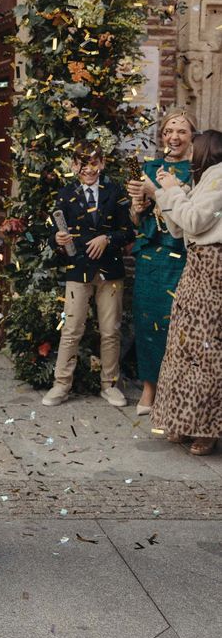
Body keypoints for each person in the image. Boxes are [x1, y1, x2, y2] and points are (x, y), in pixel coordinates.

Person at [43, 141, 135, 408]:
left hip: (110, 271)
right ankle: (61, 384)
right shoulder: (65, 193)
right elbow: (52, 235)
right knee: (71, 328)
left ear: (102, 163)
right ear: (74, 166)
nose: (88, 168)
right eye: (82, 163)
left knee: (110, 330)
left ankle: (110, 384)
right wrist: (57, 239)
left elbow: (128, 232)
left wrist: (107, 238)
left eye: (94, 162)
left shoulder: (115, 191)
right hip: (78, 270)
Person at [151, 129, 222, 456]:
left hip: (213, 270)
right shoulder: (207, 177)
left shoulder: (220, 177)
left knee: (207, 349)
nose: (190, 152)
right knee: (183, 344)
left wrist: (170, 193)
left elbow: (194, 220)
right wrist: (166, 193)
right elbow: (180, 227)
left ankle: (207, 428)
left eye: (194, 146)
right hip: (196, 268)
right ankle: (181, 419)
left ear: (207, 149)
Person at [126, 109, 196, 415]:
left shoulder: (198, 172)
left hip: (179, 256)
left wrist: (158, 194)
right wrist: (136, 205)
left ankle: (172, 390)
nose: (174, 137)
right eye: (169, 131)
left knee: (176, 325)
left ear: (192, 135)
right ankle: (149, 389)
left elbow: (192, 215)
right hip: (150, 256)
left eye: (181, 131)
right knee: (146, 320)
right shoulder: (150, 168)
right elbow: (136, 219)